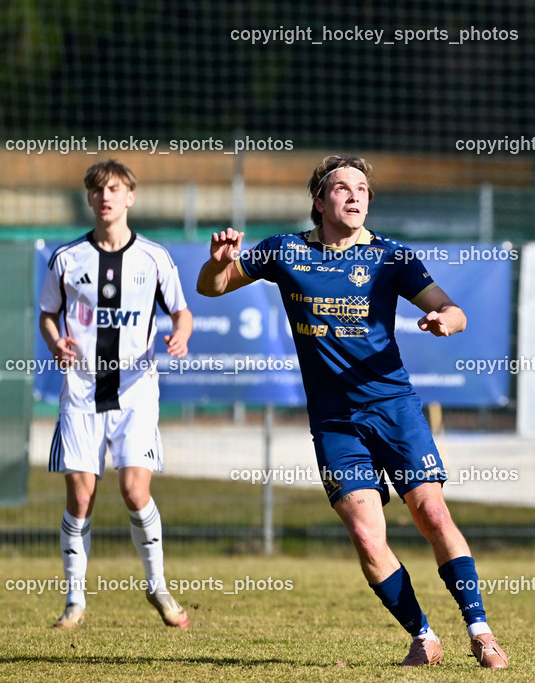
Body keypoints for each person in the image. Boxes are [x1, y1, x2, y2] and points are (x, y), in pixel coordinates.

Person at [196, 155, 509, 668]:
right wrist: (217, 262)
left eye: (362, 188)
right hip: (335, 420)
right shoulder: (285, 250)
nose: (354, 195)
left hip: (393, 407)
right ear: (320, 202)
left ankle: (480, 630)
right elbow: (212, 286)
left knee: (431, 513)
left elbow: (453, 309)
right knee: (366, 534)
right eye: (341, 188)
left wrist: (445, 320)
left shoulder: (392, 256)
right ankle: (423, 635)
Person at [40, 159, 193, 627]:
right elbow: (47, 315)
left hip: (136, 393)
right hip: (82, 392)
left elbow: (182, 311)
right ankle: (75, 601)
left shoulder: (154, 257)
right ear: (89, 198)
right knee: (80, 498)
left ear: (130, 197)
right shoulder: (67, 259)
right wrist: (55, 341)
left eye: (114, 189)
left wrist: (181, 334)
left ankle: (158, 587)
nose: (105, 196)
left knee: (134, 489)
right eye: (97, 190)